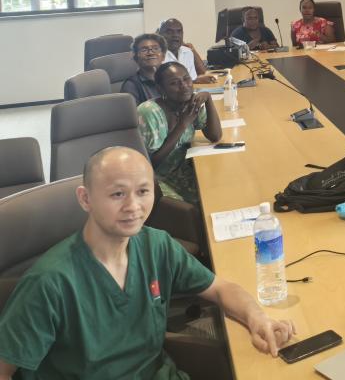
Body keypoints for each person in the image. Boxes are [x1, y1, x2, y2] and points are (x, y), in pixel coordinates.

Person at [0, 146, 296, 379]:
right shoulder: (50, 282)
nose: (133, 206)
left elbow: (220, 289)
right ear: (85, 199)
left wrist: (258, 319)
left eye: (143, 191)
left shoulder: (156, 246)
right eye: (117, 194)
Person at [137, 61, 222, 206]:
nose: (184, 86)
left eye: (186, 79)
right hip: (158, 180)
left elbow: (215, 136)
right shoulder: (149, 112)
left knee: (218, 190)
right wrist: (183, 124)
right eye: (174, 83)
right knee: (197, 208)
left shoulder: (190, 103)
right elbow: (152, 164)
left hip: (184, 170)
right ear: (160, 89)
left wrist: (208, 99)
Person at [158, 17, 216, 83]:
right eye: (169, 32)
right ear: (160, 35)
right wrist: (195, 81)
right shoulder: (157, 56)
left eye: (179, 31)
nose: (175, 35)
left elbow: (192, 78)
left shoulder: (188, 52)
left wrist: (196, 81)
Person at [121, 33, 167, 105]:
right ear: (135, 58)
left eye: (155, 48)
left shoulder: (170, 78)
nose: (150, 53)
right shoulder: (131, 86)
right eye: (144, 50)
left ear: (163, 56)